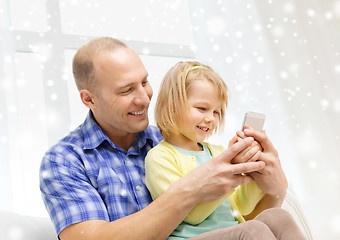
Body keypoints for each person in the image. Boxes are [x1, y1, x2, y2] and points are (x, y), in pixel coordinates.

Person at [39, 37, 297, 240]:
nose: (144, 97)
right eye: (127, 90)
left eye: (144, 82)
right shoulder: (65, 160)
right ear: (89, 99)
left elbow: (235, 220)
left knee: (276, 219)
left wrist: (273, 188)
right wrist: (194, 188)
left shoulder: (176, 138)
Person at [145, 61, 306, 239]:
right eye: (202, 108)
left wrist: (253, 170)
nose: (211, 119)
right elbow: (192, 216)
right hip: (190, 237)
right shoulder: (160, 157)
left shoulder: (217, 152)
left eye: (216, 112)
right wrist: (228, 175)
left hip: (231, 233)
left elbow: (241, 207)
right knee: (252, 230)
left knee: (278, 216)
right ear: (172, 105)